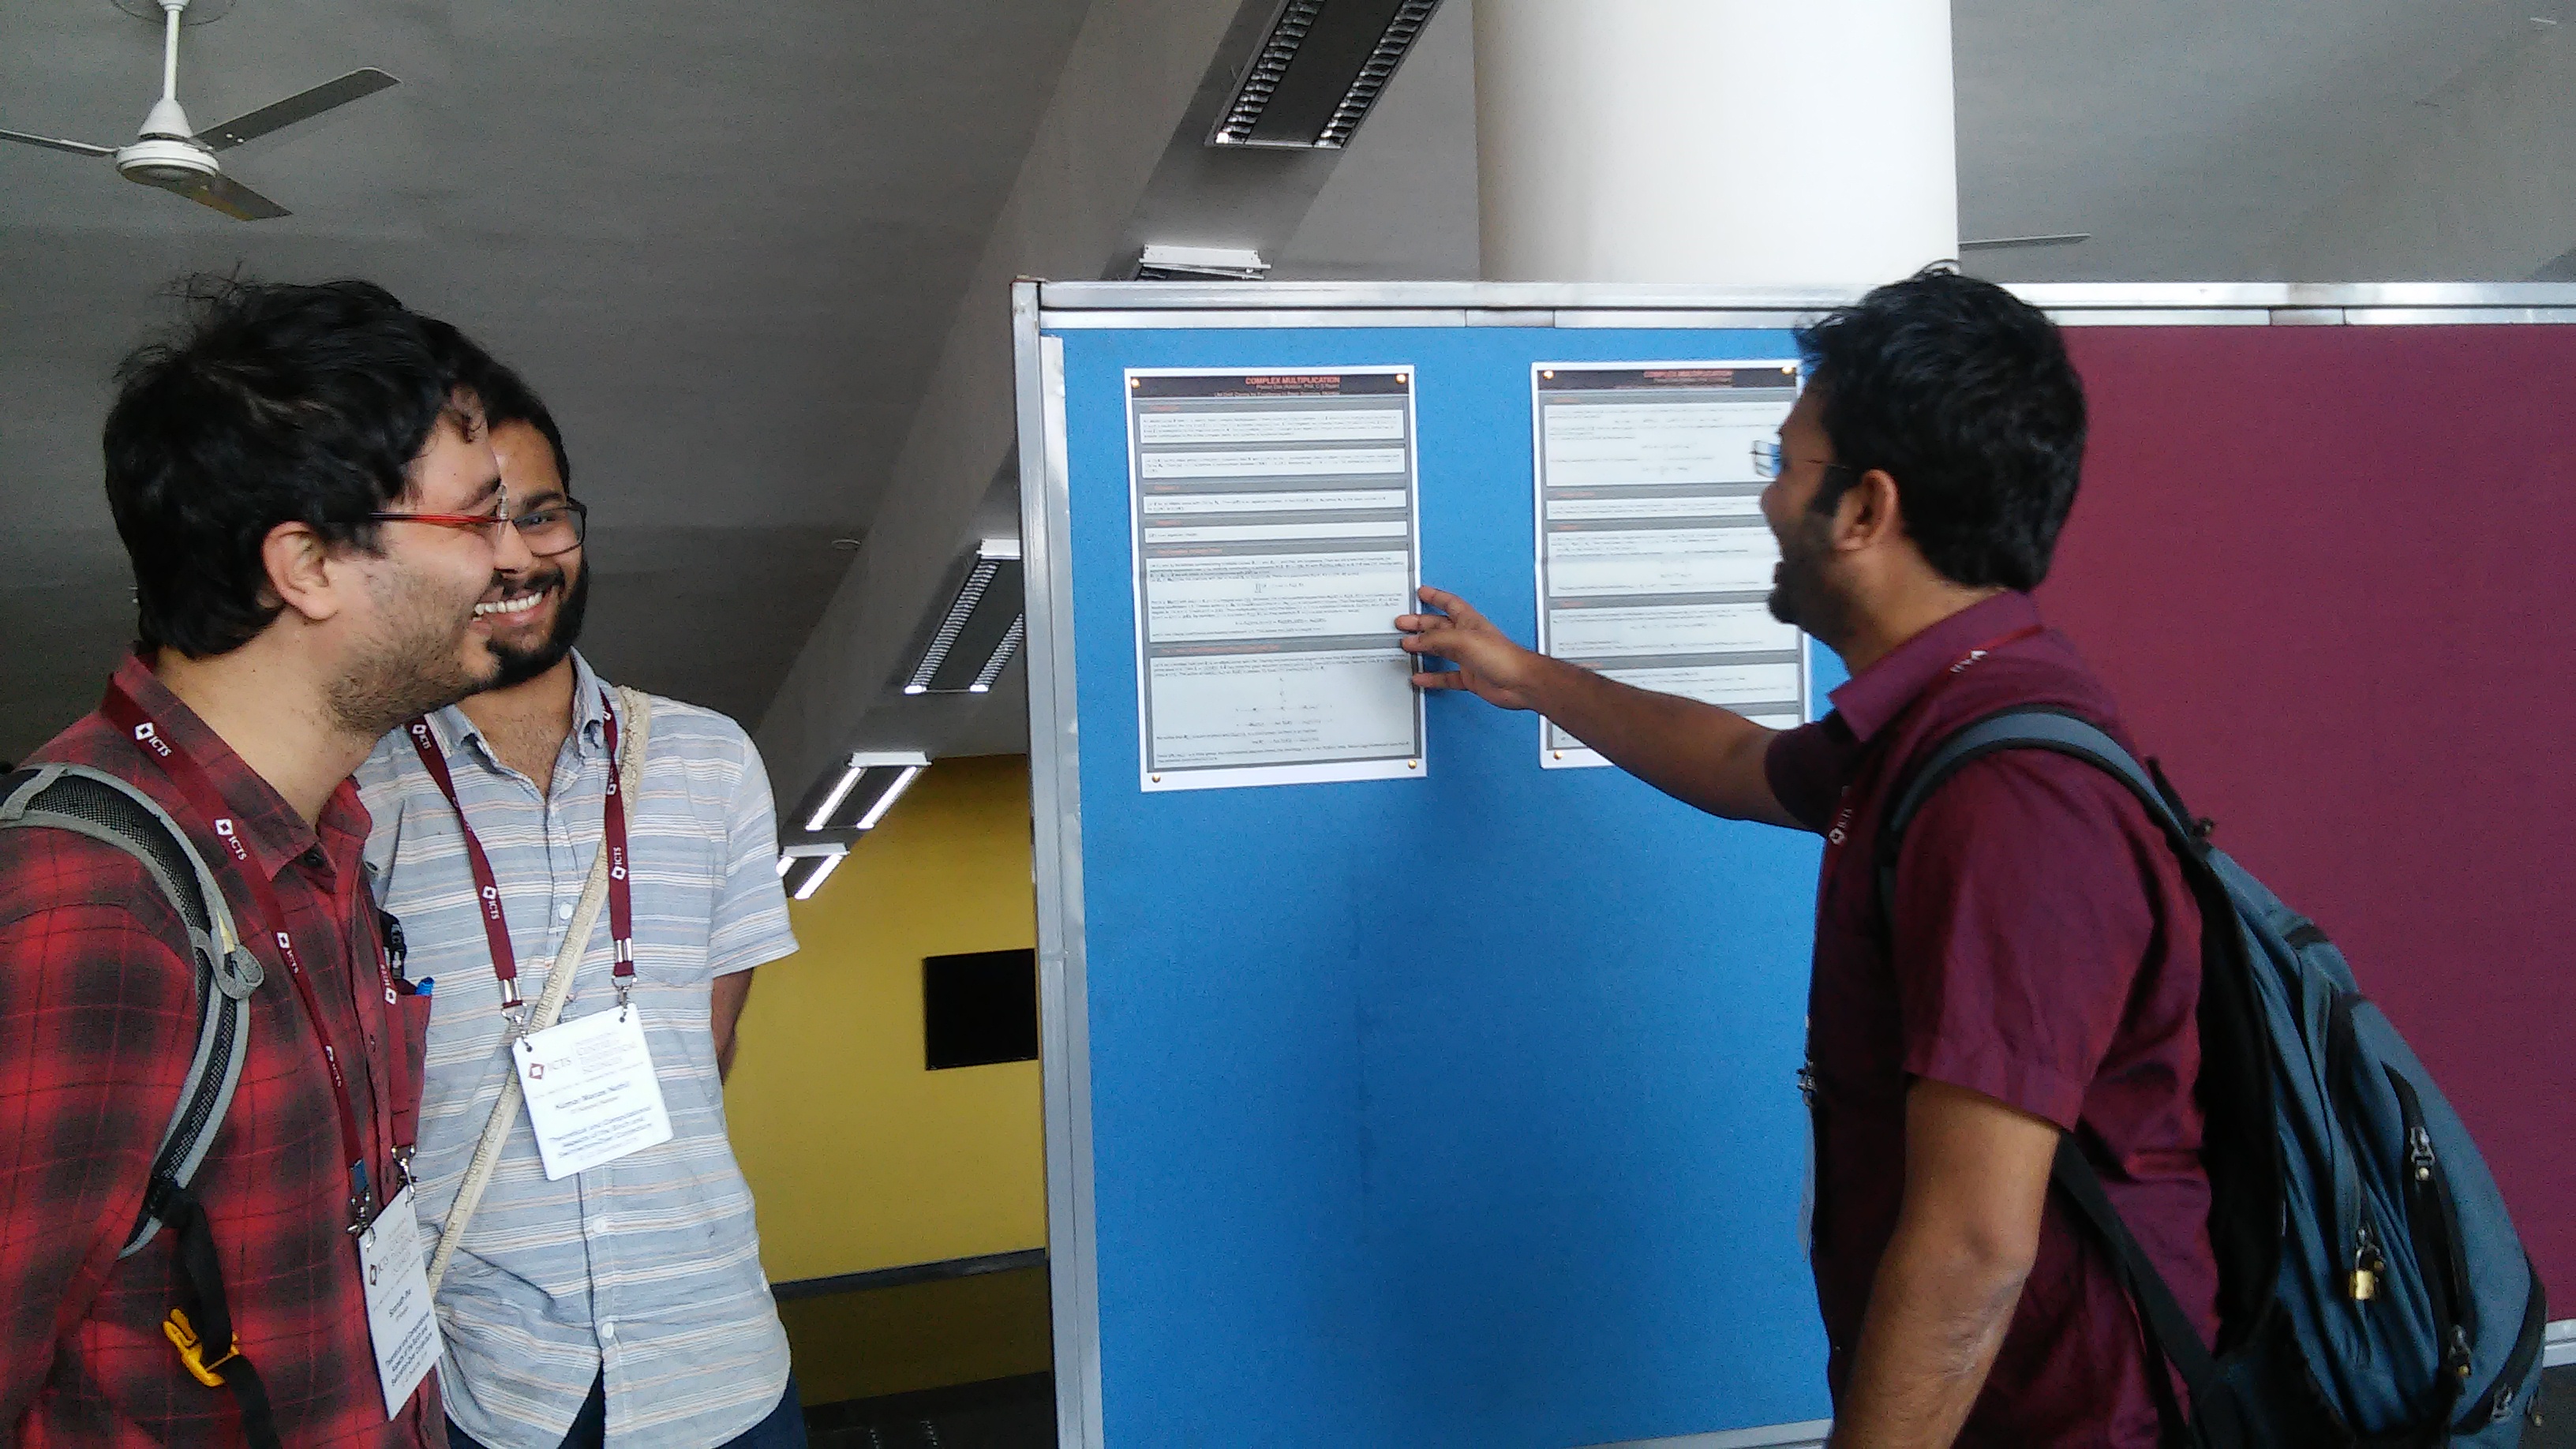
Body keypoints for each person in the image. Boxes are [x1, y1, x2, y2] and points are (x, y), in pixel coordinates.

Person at [1398, 267, 2215, 1447]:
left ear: (1867, 509)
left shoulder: (2010, 803)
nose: (1769, 499)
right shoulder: (1946, 715)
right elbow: (1742, 765)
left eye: (1784, 464)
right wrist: (1526, 676)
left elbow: (1974, 1247)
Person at [0, 277, 530, 1445]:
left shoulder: (327, 839)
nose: (513, 557)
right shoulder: (90, 907)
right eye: (478, 517)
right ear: (308, 565)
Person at [354, 342, 805, 1449]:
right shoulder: (358, 789)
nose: (516, 556)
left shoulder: (711, 762)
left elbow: (708, 1045)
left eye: (544, 516)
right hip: (485, 1385)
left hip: (717, 1366)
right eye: (477, 524)